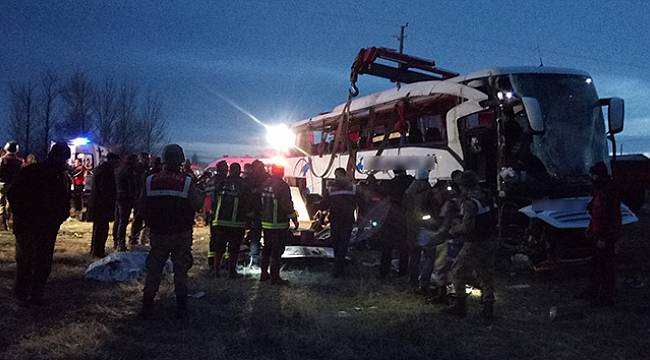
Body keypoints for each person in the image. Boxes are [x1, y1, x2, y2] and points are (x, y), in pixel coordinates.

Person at [140, 144, 202, 319]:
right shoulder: (187, 182)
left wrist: (149, 224)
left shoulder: (150, 180)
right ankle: (181, 307)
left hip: (158, 233)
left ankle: (147, 304)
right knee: (180, 271)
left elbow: (142, 206)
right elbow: (197, 205)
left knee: (154, 270)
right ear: (181, 160)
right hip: (181, 233)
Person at [7, 142, 71, 306]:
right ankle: (22, 295)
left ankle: (36, 295)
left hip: (47, 227)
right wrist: (24, 215)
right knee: (27, 262)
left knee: (43, 263)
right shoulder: (34, 172)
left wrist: (60, 216)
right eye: (63, 158)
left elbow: (63, 200)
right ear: (56, 156)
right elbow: (14, 194)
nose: (65, 162)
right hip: (28, 226)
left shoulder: (61, 176)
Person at [447, 170, 496, 324]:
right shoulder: (486, 197)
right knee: (485, 273)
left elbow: (467, 226)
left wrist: (454, 229)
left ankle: (460, 305)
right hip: (489, 239)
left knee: (457, 270)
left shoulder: (469, 203)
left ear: (463, 186)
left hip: (474, 242)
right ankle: (488, 309)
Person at [576, 162, 622, 306]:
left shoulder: (608, 193)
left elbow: (609, 217)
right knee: (596, 263)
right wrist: (591, 228)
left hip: (607, 234)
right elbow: (596, 214)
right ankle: (594, 290)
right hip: (600, 232)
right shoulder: (601, 191)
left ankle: (606, 297)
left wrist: (604, 237)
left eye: (593, 175)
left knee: (606, 266)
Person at [259, 164, 298, 284]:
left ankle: (264, 274)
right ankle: (275, 278)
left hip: (266, 222)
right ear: (281, 172)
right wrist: (294, 218)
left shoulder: (265, 184)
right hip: (278, 223)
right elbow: (286, 204)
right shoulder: (282, 186)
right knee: (276, 251)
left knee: (266, 249)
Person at [211, 163, 250, 277]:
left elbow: (214, 198)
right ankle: (231, 272)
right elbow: (247, 202)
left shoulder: (221, 183)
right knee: (234, 248)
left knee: (219, 248)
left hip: (220, 221)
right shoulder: (243, 185)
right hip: (236, 222)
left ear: (230, 171)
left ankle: (216, 270)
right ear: (239, 171)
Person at [318, 168, 358, 277]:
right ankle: (340, 267)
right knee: (344, 244)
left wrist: (317, 205)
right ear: (345, 175)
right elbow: (360, 203)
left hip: (336, 220)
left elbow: (324, 205)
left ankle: (337, 268)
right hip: (348, 220)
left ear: (336, 175)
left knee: (336, 243)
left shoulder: (331, 189)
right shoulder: (353, 188)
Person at [379, 168, 414, 278]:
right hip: (405, 217)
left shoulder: (389, 184)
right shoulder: (411, 183)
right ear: (405, 171)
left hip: (390, 217)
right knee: (404, 247)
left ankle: (383, 272)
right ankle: (403, 272)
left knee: (387, 247)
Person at [404, 168, 435, 290]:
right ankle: (424, 282)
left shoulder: (409, 191)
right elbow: (432, 209)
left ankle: (412, 281)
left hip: (411, 225)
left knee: (414, 254)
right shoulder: (428, 190)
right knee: (429, 255)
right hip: (425, 226)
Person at [88, 153, 121, 257]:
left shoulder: (100, 169)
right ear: (112, 160)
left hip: (98, 204)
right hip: (102, 205)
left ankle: (95, 250)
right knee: (102, 229)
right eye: (117, 161)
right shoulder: (106, 171)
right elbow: (106, 189)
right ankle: (98, 251)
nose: (118, 164)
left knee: (98, 228)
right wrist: (111, 199)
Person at [244, 160, 269, 268]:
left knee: (255, 235)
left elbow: (246, 196)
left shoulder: (248, 179)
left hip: (255, 212)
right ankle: (260, 259)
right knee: (263, 236)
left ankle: (254, 259)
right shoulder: (267, 179)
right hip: (265, 212)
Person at [113, 154, 139, 251]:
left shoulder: (119, 170)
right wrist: (134, 198)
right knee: (123, 221)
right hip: (125, 198)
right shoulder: (129, 171)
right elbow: (131, 186)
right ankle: (121, 243)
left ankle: (116, 241)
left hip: (119, 196)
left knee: (118, 220)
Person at [207, 160, 228, 272]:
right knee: (223, 239)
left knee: (213, 238)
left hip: (212, 213)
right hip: (223, 214)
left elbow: (207, 197)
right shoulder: (225, 182)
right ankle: (223, 262)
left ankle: (211, 261)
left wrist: (207, 212)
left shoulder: (211, 181)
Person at [0, 141, 24, 231]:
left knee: (1, 202)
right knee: (11, 203)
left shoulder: (2, 159)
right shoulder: (20, 161)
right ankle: (8, 219)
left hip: (3, 183)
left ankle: (3, 222)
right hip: (15, 184)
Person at [130, 152, 150, 245]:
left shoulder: (144, 170)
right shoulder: (139, 170)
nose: (148, 160)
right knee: (138, 219)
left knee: (141, 219)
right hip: (139, 197)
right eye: (146, 159)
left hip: (142, 197)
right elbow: (138, 184)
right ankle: (134, 237)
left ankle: (138, 237)